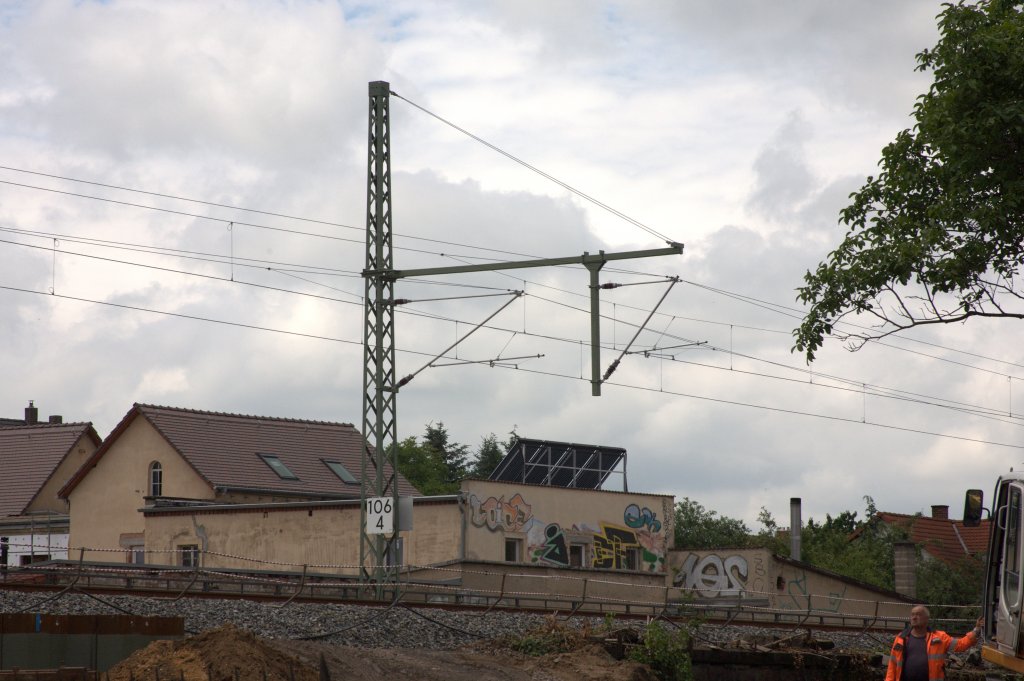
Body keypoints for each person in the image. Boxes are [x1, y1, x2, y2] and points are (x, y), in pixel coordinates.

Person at [884, 605, 983, 681]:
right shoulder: (901, 638)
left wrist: (977, 629)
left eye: (918, 614)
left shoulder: (939, 638)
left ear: (927, 619)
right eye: (912, 614)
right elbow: (892, 665)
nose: (914, 617)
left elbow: (960, 645)